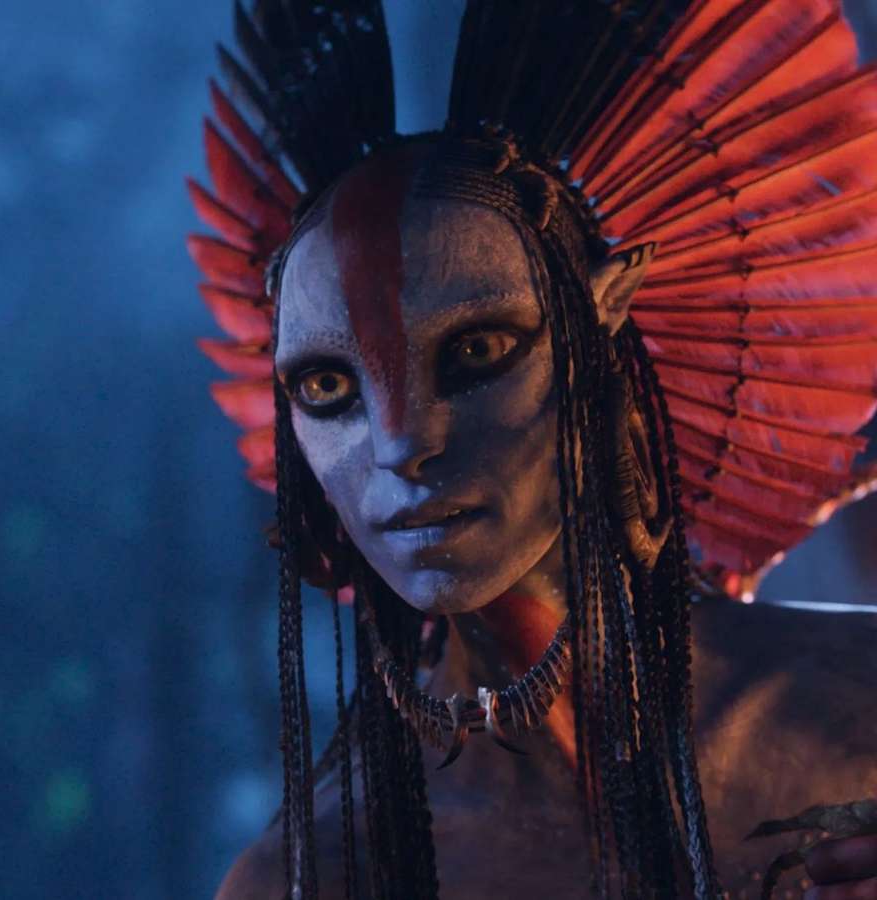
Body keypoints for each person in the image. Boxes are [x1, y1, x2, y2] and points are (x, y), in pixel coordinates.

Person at [187, 1, 877, 898]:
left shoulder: (856, 703)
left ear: (603, 322)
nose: (403, 443)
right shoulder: (317, 875)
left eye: (475, 350)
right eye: (327, 388)